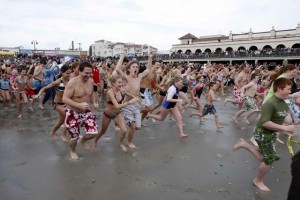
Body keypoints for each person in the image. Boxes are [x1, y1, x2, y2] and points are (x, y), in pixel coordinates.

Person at [233, 77, 298, 192]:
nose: (290, 91)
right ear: (279, 89)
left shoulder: (284, 102)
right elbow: (265, 122)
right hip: (263, 133)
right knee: (269, 160)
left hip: (272, 133)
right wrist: (284, 127)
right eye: (288, 89)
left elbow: (285, 118)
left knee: (266, 156)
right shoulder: (270, 103)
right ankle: (257, 180)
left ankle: (244, 144)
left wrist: (292, 125)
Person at [115, 50, 152, 148]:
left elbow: (148, 69)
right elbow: (118, 70)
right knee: (132, 126)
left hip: (136, 105)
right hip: (127, 105)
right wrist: (122, 56)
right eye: (133, 67)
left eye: (136, 67)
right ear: (129, 69)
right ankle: (129, 142)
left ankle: (126, 121)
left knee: (137, 127)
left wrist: (150, 57)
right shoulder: (126, 78)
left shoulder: (139, 76)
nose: (135, 68)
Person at [62, 62, 99, 160]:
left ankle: (83, 140)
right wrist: (79, 105)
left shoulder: (91, 81)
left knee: (94, 132)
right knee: (74, 137)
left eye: (90, 73)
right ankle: (72, 151)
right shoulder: (72, 82)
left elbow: (92, 93)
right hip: (72, 112)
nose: (88, 75)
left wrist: (94, 102)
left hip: (85, 112)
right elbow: (65, 99)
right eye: (86, 73)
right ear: (80, 71)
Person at [92, 76, 139, 152]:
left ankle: (120, 143)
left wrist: (136, 98)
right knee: (103, 131)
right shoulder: (110, 92)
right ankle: (95, 142)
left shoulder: (122, 90)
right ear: (113, 83)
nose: (121, 84)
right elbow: (117, 106)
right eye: (119, 82)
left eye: (121, 82)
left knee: (124, 130)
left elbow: (129, 94)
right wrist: (130, 102)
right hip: (108, 114)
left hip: (117, 113)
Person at [35, 65, 72, 141]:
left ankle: (52, 132)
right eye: (67, 73)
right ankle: (63, 135)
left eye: (70, 73)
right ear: (62, 73)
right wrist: (39, 94)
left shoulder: (70, 81)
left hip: (66, 104)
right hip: (57, 104)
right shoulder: (58, 81)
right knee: (68, 117)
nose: (69, 75)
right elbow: (45, 88)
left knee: (60, 121)